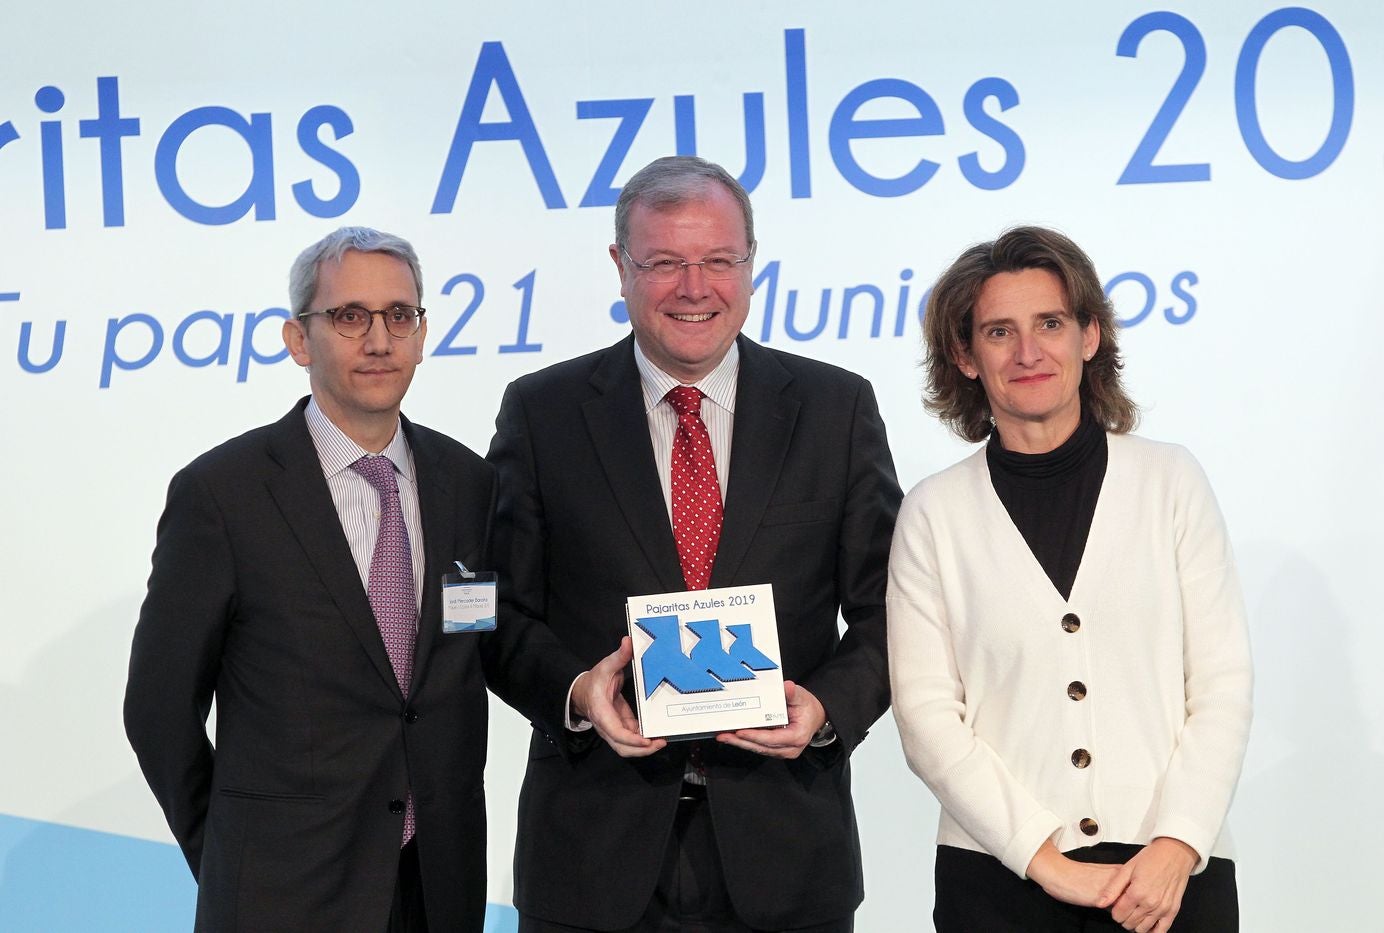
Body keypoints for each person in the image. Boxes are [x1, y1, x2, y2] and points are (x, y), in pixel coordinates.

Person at [124, 227, 584, 933]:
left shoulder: (469, 483)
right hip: (285, 892)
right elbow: (158, 711)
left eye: (400, 315)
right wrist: (230, 849)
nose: (380, 339)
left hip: (438, 887)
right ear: (298, 340)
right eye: (350, 317)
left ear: (423, 333)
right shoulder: (223, 495)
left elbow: (484, 642)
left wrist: (581, 690)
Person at [487, 155, 902, 932]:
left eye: (718, 260)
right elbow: (497, 614)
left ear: (752, 265)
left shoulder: (834, 410)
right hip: (590, 855)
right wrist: (578, 693)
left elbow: (894, 612)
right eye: (665, 263)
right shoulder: (542, 414)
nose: (694, 287)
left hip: (786, 856)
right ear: (620, 266)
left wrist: (826, 707)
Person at [887, 225, 1253, 931]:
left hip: (1173, 879)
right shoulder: (933, 512)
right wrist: (1046, 860)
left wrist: (1177, 843)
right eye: (999, 332)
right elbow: (927, 716)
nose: (1029, 352)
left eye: (1050, 323)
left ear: (1090, 335)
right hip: (999, 884)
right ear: (964, 355)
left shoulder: (1170, 480)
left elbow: (1223, 682)